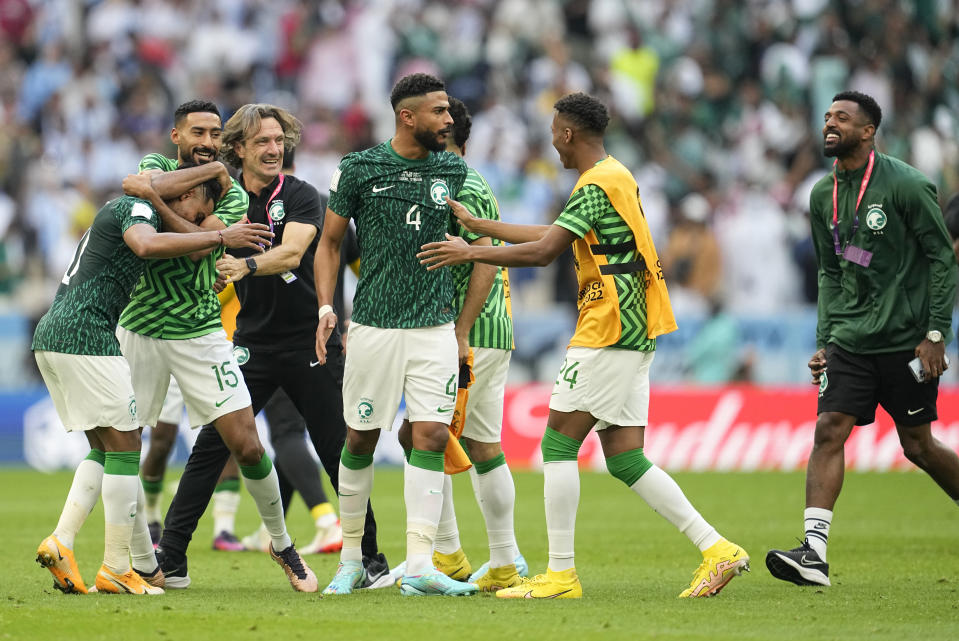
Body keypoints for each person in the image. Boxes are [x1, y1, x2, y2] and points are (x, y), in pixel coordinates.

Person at [418, 92, 750, 599]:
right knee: (624, 457)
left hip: (608, 328)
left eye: (554, 130)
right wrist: (481, 230)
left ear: (568, 133)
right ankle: (717, 549)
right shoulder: (612, 176)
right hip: (632, 328)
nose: (551, 139)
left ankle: (560, 574)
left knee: (557, 444)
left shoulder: (596, 183)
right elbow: (557, 234)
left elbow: (547, 250)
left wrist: (471, 253)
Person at [33, 170, 271, 596]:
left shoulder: (136, 211)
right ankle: (117, 567)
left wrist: (211, 270)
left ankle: (63, 541)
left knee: (107, 448)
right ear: (185, 194)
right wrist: (219, 238)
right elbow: (146, 242)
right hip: (87, 335)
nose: (199, 221)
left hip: (56, 335)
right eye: (199, 212)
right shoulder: (137, 208)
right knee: (127, 447)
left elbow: (177, 254)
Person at [118, 100, 318, 592]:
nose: (205, 141)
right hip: (140, 327)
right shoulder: (155, 165)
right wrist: (205, 227)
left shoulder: (228, 192)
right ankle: (138, 558)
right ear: (176, 136)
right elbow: (157, 197)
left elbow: (211, 241)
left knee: (247, 442)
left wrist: (183, 217)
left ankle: (282, 543)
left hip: (200, 332)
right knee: (125, 445)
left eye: (213, 134)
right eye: (196, 132)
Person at [766, 91, 959, 587]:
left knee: (917, 446)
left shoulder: (909, 185)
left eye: (842, 118)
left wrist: (937, 333)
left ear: (868, 130)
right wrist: (825, 340)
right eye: (828, 116)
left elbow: (942, 259)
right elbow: (830, 273)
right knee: (829, 428)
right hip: (850, 340)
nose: (829, 124)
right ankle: (813, 553)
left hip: (906, 341)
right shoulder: (819, 195)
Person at [313, 73, 478, 597]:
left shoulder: (453, 169)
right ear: (407, 117)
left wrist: (462, 327)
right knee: (359, 438)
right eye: (439, 112)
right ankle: (352, 560)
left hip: (434, 328)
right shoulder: (360, 168)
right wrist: (326, 307)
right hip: (375, 327)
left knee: (429, 436)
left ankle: (421, 565)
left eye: (448, 112)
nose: (449, 120)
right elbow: (330, 244)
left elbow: (475, 245)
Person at [207, 103, 385, 580]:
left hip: (301, 338)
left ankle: (330, 524)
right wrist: (347, 315)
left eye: (277, 141)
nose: (273, 149)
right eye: (263, 142)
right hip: (296, 337)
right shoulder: (331, 218)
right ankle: (293, 534)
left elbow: (308, 261)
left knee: (289, 436)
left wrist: (335, 315)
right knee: (310, 439)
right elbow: (363, 271)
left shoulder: (306, 210)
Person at [394, 97, 526, 592]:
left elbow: (487, 258)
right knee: (479, 442)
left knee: (420, 434)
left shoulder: (459, 183)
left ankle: (448, 554)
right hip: (492, 329)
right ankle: (503, 558)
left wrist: (460, 332)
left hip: (463, 331)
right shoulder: (469, 181)